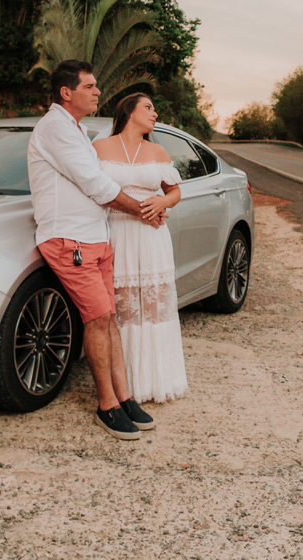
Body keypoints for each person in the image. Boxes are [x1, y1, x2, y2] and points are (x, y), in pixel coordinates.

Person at [26, 60, 163, 441]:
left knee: (109, 319)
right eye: (90, 86)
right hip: (70, 240)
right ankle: (107, 406)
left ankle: (125, 396)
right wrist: (141, 210)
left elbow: (99, 181)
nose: (98, 92)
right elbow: (94, 185)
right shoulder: (55, 128)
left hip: (95, 238)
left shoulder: (77, 130)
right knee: (98, 318)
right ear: (66, 93)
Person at [93, 93, 188, 403]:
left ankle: (156, 380)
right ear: (128, 110)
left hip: (150, 238)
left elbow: (174, 192)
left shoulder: (157, 150)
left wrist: (163, 201)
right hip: (114, 234)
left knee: (152, 309)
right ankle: (124, 386)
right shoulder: (99, 148)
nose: (155, 113)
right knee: (119, 311)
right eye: (148, 107)